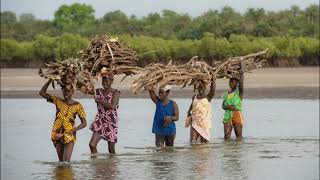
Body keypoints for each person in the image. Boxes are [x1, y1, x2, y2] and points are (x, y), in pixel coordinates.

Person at [39, 79, 87, 162]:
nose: (66, 94)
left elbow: (84, 123)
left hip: (69, 134)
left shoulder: (77, 105)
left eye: (68, 91)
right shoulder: (58, 101)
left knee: (66, 162)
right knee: (61, 163)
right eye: (64, 91)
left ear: (72, 91)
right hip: (56, 134)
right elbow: (42, 93)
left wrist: (73, 130)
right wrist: (50, 79)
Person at [89, 73, 120, 154]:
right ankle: (96, 163)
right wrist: (89, 80)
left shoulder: (115, 92)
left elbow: (112, 106)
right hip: (100, 120)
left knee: (111, 149)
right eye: (103, 80)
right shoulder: (98, 91)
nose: (105, 82)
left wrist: (99, 101)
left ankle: (112, 164)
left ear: (112, 81)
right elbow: (85, 89)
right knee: (92, 145)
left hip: (111, 122)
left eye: (107, 80)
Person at [187, 74, 216, 143]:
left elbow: (213, 90)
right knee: (193, 142)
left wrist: (213, 79)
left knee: (204, 143)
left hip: (205, 123)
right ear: (197, 88)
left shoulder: (208, 97)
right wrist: (188, 113)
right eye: (199, 88)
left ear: (205, 88)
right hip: (195, 122)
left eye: (202, 88)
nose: (201, 89)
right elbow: (192, 106)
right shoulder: (194, 97)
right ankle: (194, 154)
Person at [222, 62, 245, 140]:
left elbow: (242, 83)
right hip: (227, 114)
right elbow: (223, 106)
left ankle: (237, 151)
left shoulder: (239, 93)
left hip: (237, 114)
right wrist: (228, 107)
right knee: (226, 136)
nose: (231, 83)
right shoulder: (226, 94)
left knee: (239, 137)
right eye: (230, 81)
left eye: (233, 81)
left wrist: (242, 71)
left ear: (237, 83)